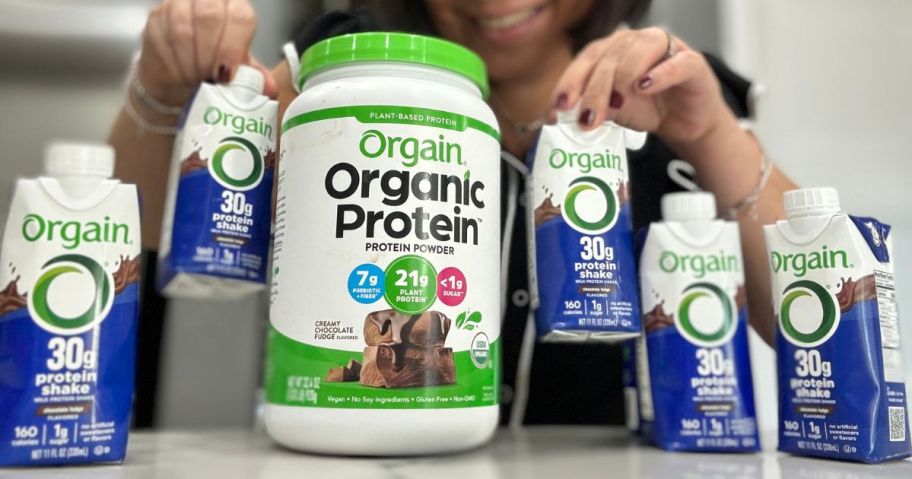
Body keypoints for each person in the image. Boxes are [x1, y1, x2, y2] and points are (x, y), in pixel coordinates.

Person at [108, 0, 797, 426]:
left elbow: (803, 320)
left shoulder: (665, 84)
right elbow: (130, 229)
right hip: (354, 438)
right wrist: (161, 88)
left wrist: (708, 132)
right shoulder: (344, 64)